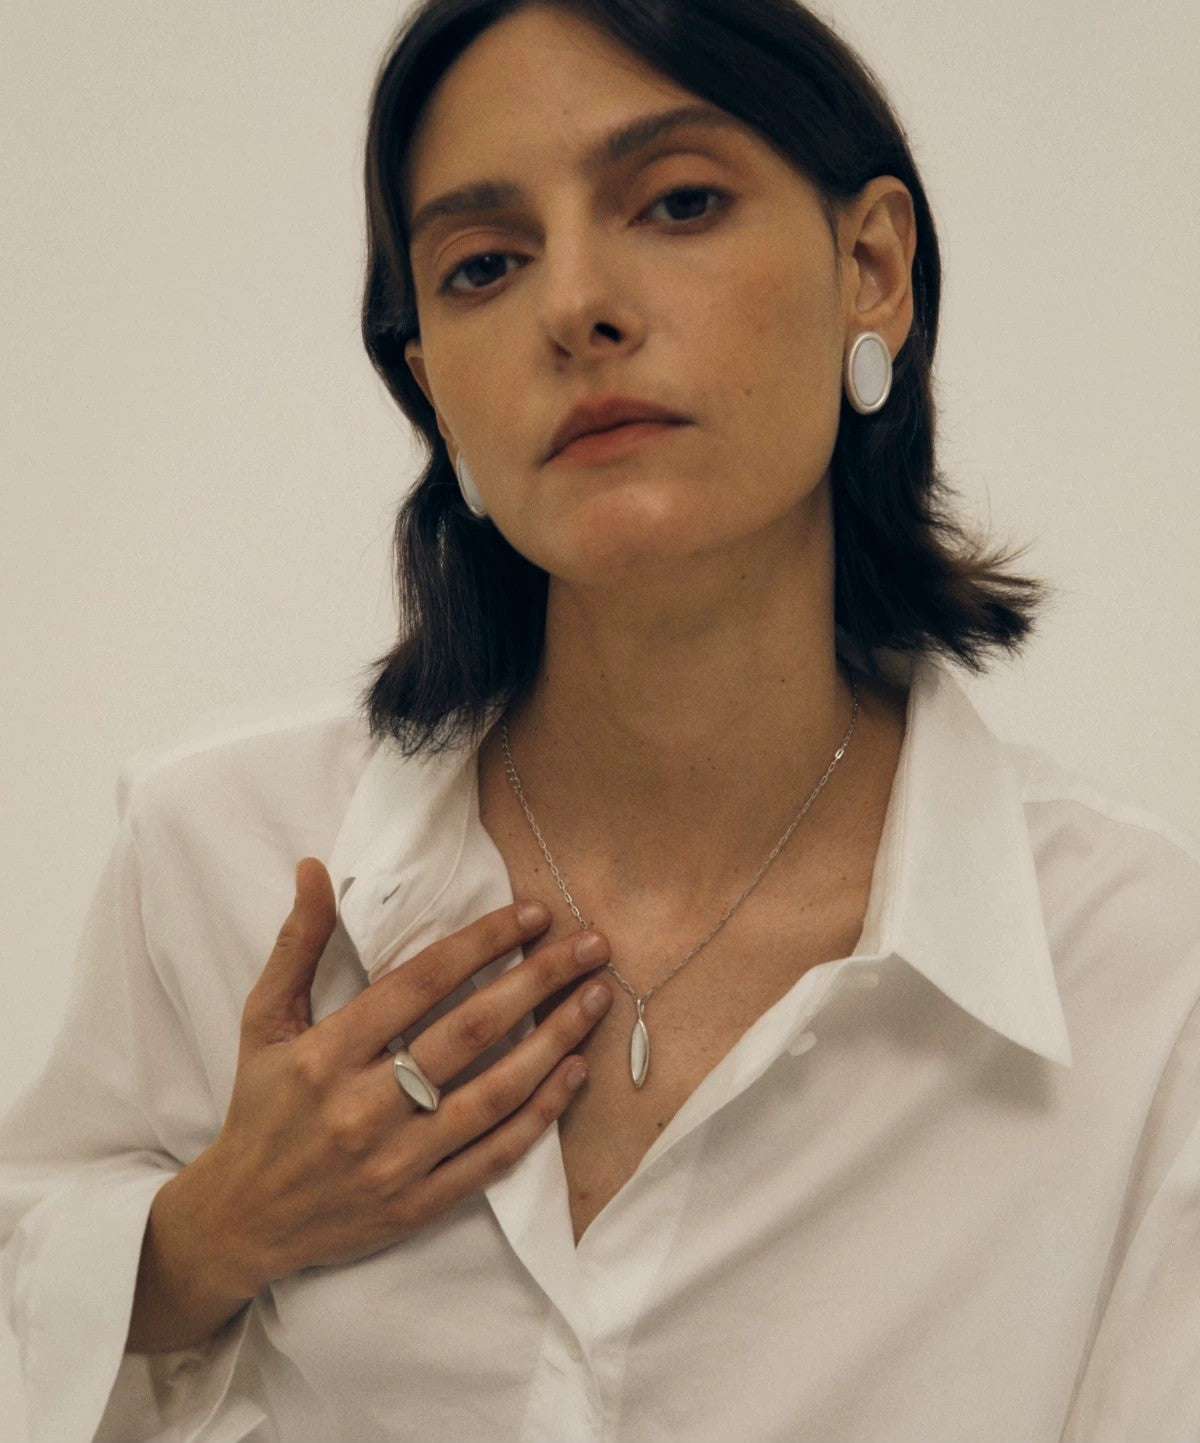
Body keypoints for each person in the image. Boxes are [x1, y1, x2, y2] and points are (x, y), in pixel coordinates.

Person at [2, 0, 1198, 1439]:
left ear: (872, 269)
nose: (576, 306)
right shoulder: (223, 859)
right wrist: (210, 1235)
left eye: (679, 203)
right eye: (483, 265)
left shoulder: (1145, 980)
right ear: (435, 386)